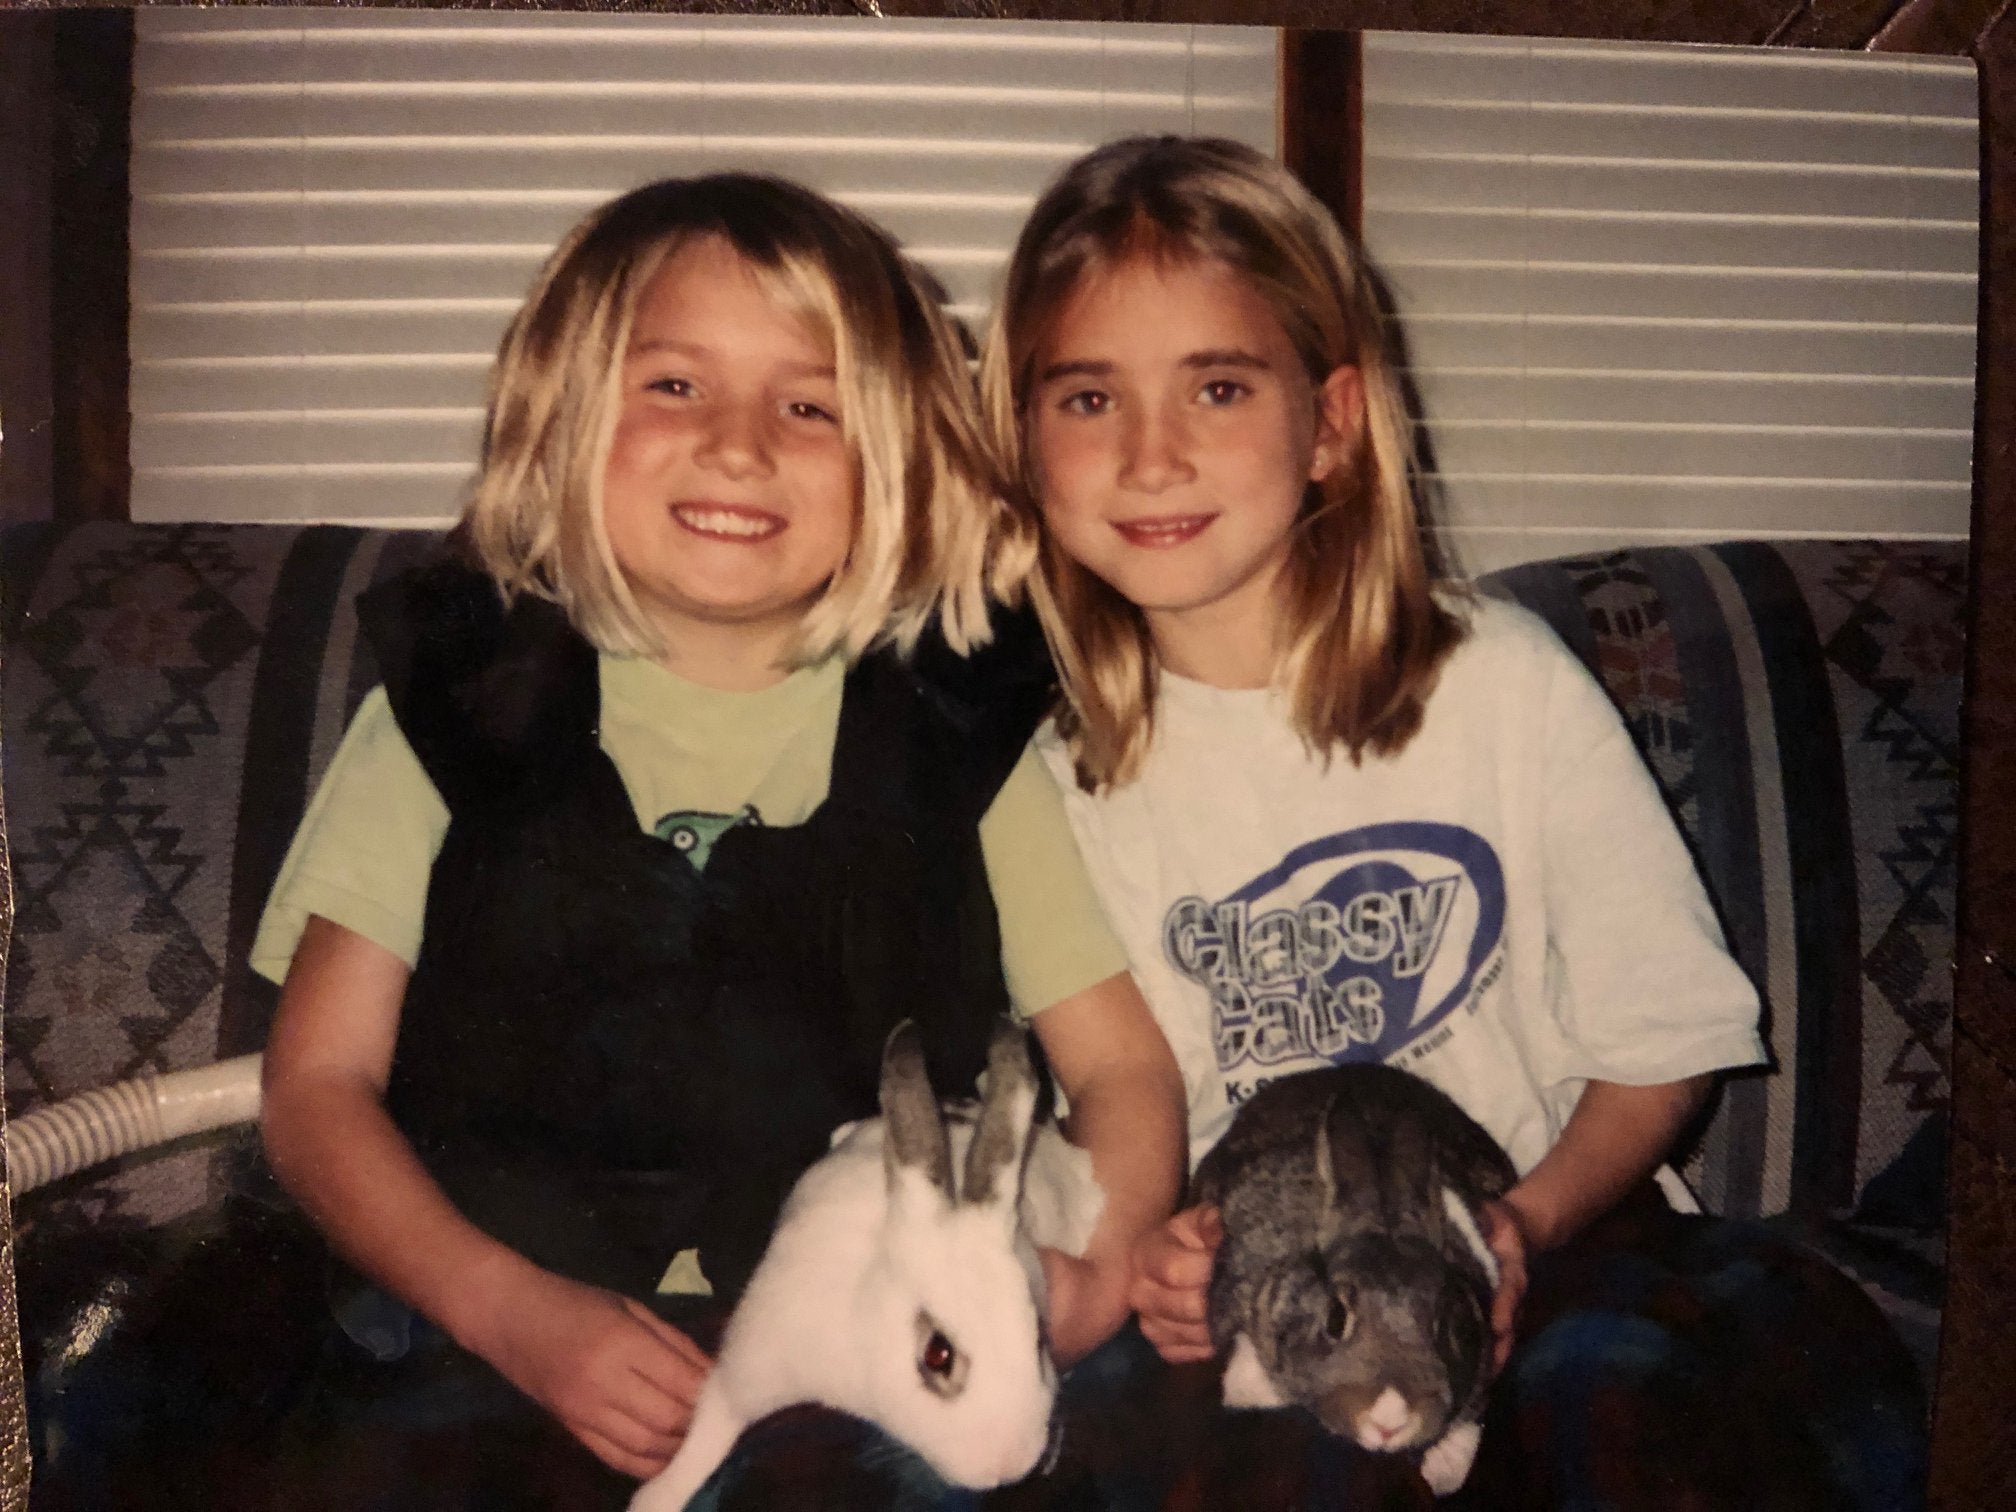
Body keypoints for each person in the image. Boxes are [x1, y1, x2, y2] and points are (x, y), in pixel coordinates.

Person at [977, 135, 1928, 1510]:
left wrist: (1517, 1226)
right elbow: (1141, 1117)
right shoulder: (1058, 783)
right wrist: (1174, 1264)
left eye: (1221, 386)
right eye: (1087, 398)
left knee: (1649, 1416)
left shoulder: (1499, 684)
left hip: (1560, 1230)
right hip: (1282, 1296)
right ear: (1024, 440)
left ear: (1333, 424)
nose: (1151, 453)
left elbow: (1664, 1047)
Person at [240, 172, 1183, 1509]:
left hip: (862, 1350)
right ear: (565, 415)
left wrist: (1089, 1277)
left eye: (812, 406)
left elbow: (1127, 1072)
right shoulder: (453, 715)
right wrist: (506, 1311)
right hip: (489, 1332)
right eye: (674, 386)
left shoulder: (957, 747)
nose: (742, 445)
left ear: (893, 460)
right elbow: (314, 1089)